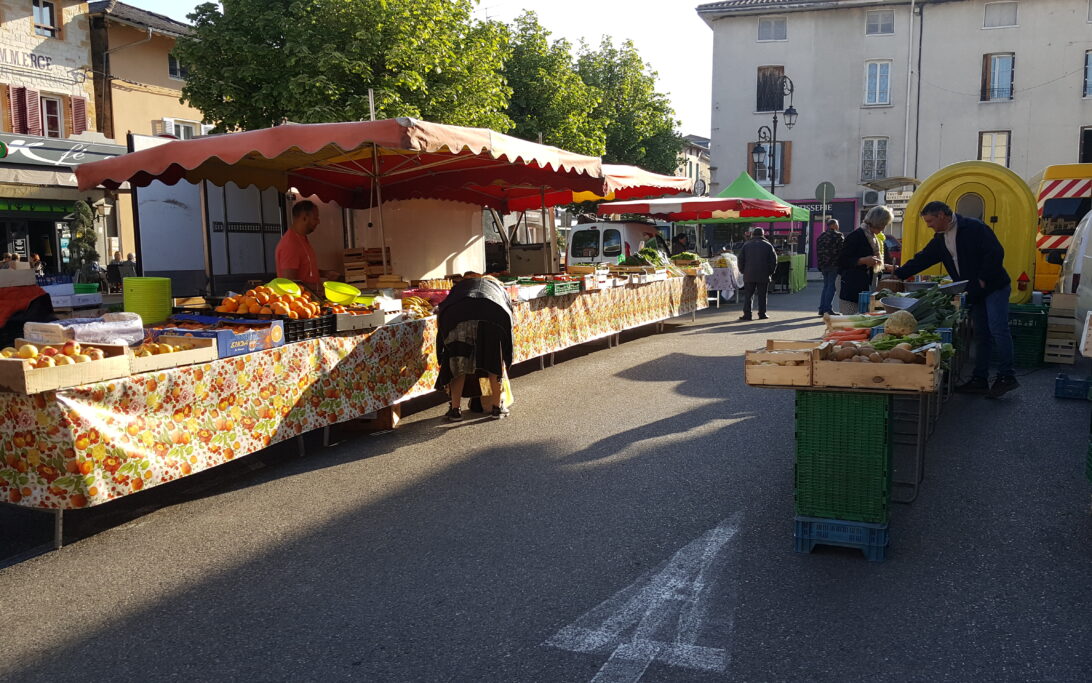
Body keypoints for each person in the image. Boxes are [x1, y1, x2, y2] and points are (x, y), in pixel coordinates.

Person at [893, 201, 1017, 398]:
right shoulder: (940, 238)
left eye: (930, 221)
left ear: (942, 215)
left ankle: (1007, 376)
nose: (929, 225)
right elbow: (923, 258)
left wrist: (983, 279)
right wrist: (898, 274)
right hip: (973, 290)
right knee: (981, 334)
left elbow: (995, 252)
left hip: (994, 287)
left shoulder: (974, 227)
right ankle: (980, 379)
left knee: (998, 329)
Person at [435, 274, 514, 421]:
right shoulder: (498, 290)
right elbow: (508, 315)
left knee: (458, 363)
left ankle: (455, 409)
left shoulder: (461, 288)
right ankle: (496, 407)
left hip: (457, 319)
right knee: (492, 363)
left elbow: (443, 309)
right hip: (492, 320)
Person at [837, 205, 896, 314]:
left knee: (864, 314)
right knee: (851, 318)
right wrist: (862, 260)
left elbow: (874, 261)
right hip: (852, 286)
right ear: (877, 222)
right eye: (883, 225)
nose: (883, 229)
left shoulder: (874, 237)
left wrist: (886, 266)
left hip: (867, 285)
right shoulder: (856, 236)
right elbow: (841, 261)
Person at [275, 200, 340, 296]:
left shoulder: (301, 238)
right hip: (300, 304)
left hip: (311, 299)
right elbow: (289, 282)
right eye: (315, 218)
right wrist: (319, 287)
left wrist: (325, 273)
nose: (318, 222)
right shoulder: (290, 244)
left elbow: (304, 269)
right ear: (304, 218)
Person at [737, 227, 778, 321]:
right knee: (762, 295)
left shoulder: (746, 245)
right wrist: (770, 272)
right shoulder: (768, 245)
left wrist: (743, 270)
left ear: (753, 234)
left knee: (748, 295)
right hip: (764, 274)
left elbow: (741, 259)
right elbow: (774, 260)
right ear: (763, 234)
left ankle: (747, 314)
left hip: (749, 273)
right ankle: (762, 313)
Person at [815, 218, 844, 316]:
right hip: (834, 264)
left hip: (823, 265)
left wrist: (820, 265)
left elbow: (818, 252)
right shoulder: (838, 236)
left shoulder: (821, 236)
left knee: (826, 286)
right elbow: (842, 251)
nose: (838, 226)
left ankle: (822, 309)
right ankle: (827, 309)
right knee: (831, 287)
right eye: (837, 224)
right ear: (833, 225)